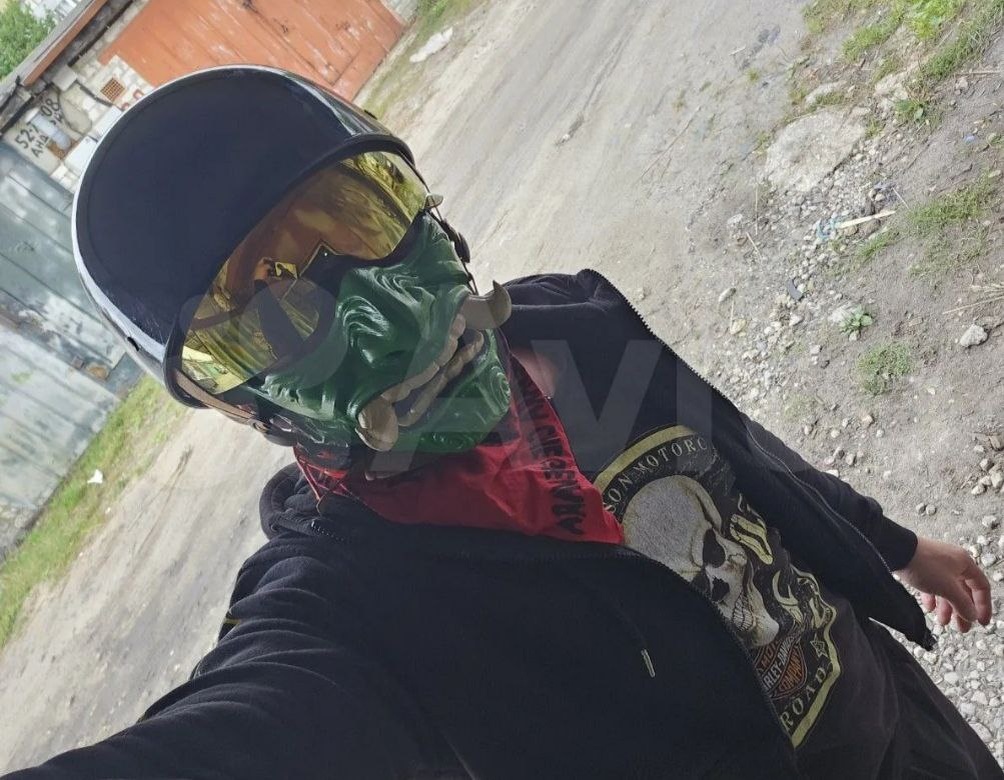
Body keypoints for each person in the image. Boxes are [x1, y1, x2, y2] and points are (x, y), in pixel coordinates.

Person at [6, 66, 998, 779]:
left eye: (361, 214)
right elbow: (259, 728)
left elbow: (743, 452)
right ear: (237, 403)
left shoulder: (574, 325)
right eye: (269, 313)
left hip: (905, 730)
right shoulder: (358, 611)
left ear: (429, 211)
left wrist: (895, 546)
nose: (390, 314)